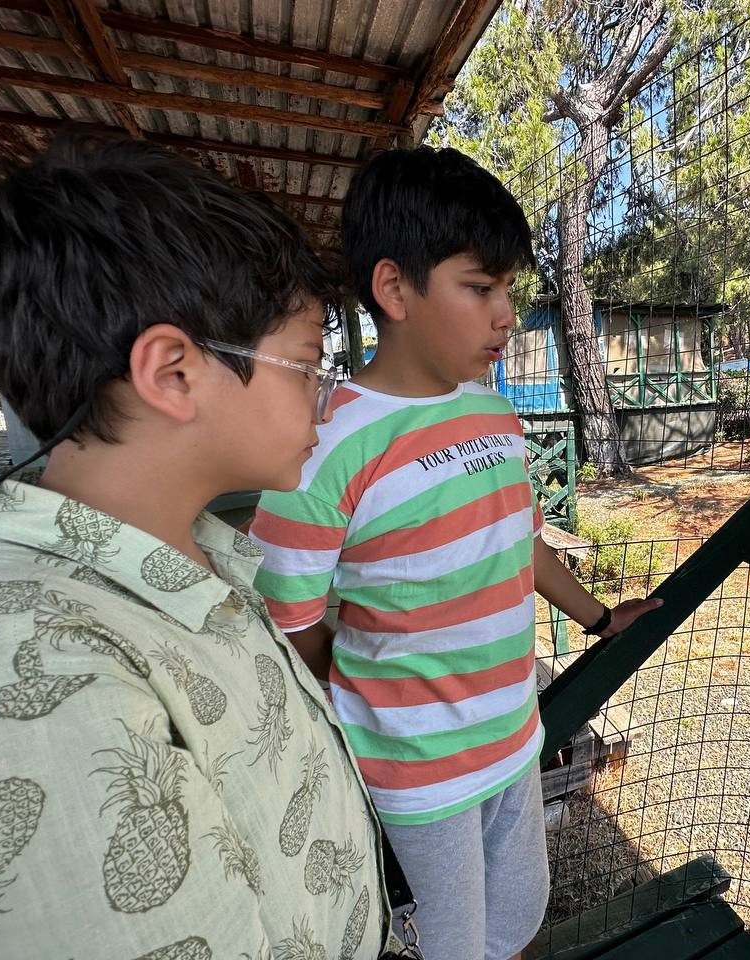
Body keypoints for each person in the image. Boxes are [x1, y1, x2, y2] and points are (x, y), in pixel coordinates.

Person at [0, 134, 398, 959]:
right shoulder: (21, 685)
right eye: (309, 364)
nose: (325, 400)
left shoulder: (195, 559)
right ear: (173, 373)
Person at [250, 147, 662, 960]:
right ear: (394, 288)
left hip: (513, 734)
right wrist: (378, 695)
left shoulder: (493, 416)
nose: (505, 313)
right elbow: (288, 619)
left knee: (520, 913)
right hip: (417, 767)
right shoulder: (323, 443)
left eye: (507, 289)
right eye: (480, 288)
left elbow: (521, 543)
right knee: (456, 940)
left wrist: (599, 614)